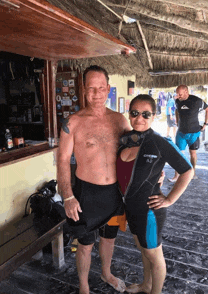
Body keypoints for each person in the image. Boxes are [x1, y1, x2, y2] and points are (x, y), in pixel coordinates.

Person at [57, 65, 131, 294]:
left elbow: (138, 149)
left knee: (109, 239)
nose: (96, 94)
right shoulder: (73, 123)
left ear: (108, 89)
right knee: (85, 246)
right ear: (83, 89)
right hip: (86, 194)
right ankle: (84, 287)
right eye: (91, 88)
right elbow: (61, 162)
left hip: (114, 193)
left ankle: (106, 273)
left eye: (101, 88)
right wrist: (68, 196)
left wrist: (155, 171)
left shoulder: (120, 120)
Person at [116, 94, 193, 294]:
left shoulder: (160, 142)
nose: (139, 118)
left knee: (154, 256)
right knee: (144, 250)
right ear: (129, 114)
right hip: (130, 208)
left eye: (145, 114)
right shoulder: (125, 141)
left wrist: (169, 199)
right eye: (134, 113)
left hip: (150, 210)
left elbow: (187, 170)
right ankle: (146, 284)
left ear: (154, 116)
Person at [169, 85, 208, 182]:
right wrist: (177, 120)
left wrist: (205, 124)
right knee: (178, 154)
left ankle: (193, 172)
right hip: (181, 132)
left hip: (194, 133)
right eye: (177, 94)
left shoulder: (196, 101)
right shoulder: (177, 101)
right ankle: (176, 175)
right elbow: (176, 110)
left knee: (193, 154)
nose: (178, 96)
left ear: (186, 92)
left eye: (180, 94)